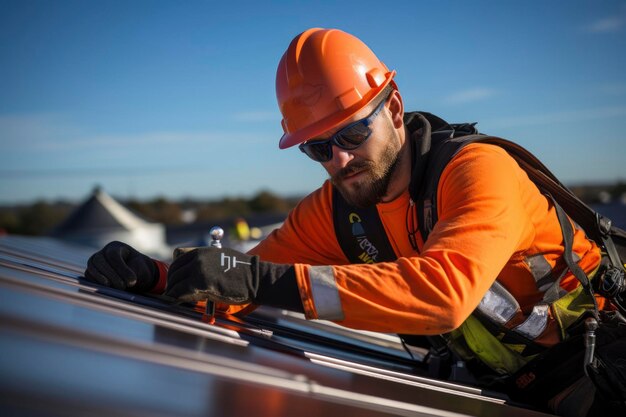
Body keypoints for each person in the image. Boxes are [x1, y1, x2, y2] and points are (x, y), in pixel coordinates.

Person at [84, 28, 625, 416]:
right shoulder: (338, 211)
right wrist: (158, 277)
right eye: (318, 147)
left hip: (602, 370)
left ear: (392, 109)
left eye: (351, 134)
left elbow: (445, 295)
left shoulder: (477, 171)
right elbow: (244, 279)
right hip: (513, 389)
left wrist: (259, 282)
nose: (338, 160)